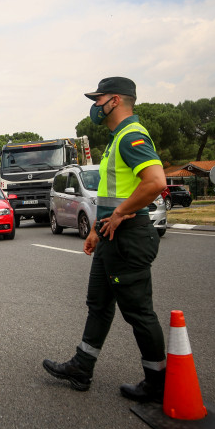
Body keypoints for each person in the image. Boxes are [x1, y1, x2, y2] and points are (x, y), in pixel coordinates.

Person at [43, 77, 168, 403]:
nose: (95, 106)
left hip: (129, 237)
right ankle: (81, 368)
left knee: (138, 312)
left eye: (99, 100)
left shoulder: (131, 136)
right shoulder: (116, 140)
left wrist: (120, 214)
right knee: (98, 304)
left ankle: (157, 384)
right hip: (111, 236)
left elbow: (155, 182)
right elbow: (115, 194)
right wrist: (97, 229)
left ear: (114, 100)